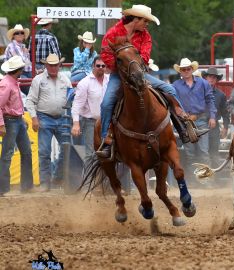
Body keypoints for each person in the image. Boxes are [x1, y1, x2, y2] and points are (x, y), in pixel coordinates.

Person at [96, 4, 206, 158]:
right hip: (119, 74)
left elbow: (145, 57)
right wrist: (122, 68)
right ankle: (105, 140)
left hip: (140, 74)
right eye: (145, 21)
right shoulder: (113, 33)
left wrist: (134, 67)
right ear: (136, 19)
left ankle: (185, 128)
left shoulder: (145, 35)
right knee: (106, 103)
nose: (146, 25)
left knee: (170, 90)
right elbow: (106, 55)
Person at [25, 53, 72, 192]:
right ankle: (46, 182)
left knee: (66, 149)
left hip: (62, 118)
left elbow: (71, 97)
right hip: (44, 117)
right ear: (46, 65)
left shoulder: (65, 79)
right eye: (51, 65)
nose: (53, 68)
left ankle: (56, 177)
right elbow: (30, 100)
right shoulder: (38, 80)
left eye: (55, 65)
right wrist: (34, 118)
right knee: (45, 151)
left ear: (59, 65)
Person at [172, 58, 216, 175]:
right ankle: (194, 180)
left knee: (203, 152)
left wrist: (212, 116)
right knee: (189, 152)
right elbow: (173, 103)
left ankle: (206, 179)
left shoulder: (203, 83)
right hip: (184, 122)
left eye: (188, 69)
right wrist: (179, 111)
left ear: (192, 69)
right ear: (180, 71)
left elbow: (210, 100)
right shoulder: (175, 86)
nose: (186, 71)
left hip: (201, 119)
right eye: (183, 69)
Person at [0, 56, 33, 196]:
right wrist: (1, 125)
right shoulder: (7, 84)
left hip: (16, 120)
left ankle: (25, 186)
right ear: (18, 70)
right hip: (10, 121)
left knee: (24, 152)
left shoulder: (11, 82)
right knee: (8, 154)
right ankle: (3, 189)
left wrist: (21, 118)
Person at [71, 57, 109, 157]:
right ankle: (89, 173)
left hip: (108, 122)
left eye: (103, 66)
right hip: (91, 122)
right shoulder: (85, 83)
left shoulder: (109, 80)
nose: (100, 67)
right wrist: (76, 123)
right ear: (93, 66)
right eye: (98, 65)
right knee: (91, 153)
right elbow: (77, 104)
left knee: (108, 152)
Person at [202, 67, 230, 167]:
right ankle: (202, 177)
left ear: (217, 79)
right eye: (210, 76)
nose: (212, 79)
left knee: (213, 153)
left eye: (214, 77)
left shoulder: (221, 95)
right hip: (200, 125)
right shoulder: (199, 92)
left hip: (213, 128)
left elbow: (225, 113)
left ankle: (214, 179)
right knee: (202, 153)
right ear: (205, 78)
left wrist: (226, 127)